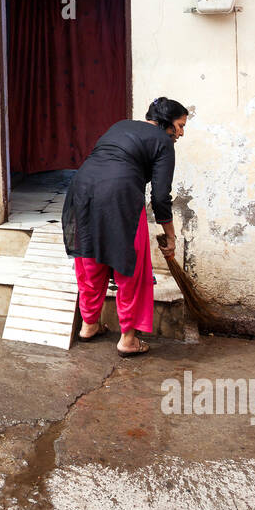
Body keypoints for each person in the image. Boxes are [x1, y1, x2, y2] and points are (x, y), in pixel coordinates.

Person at [62, 97, 189, 355]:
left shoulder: (120, 125)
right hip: (121, 197)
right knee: (131, 267)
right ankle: (128, 340)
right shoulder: (163, 142)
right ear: (166, 123)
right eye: (180, 125)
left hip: (82, 189)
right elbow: (161, 196)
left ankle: (89, 325)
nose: (181, 133)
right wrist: (170, 235)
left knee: (90, 258)